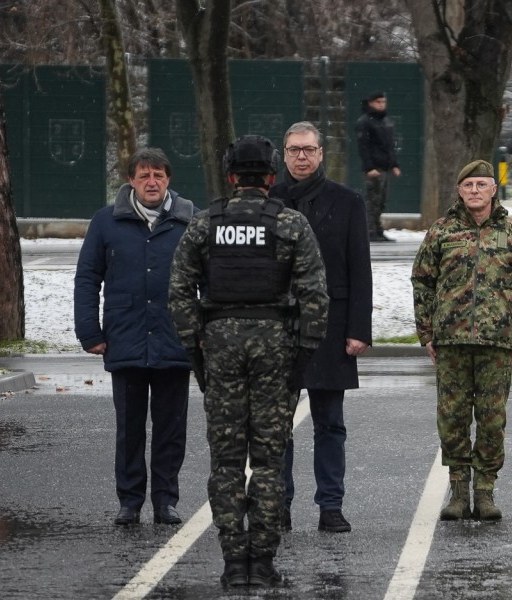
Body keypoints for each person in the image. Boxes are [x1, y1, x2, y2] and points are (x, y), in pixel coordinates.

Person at [169, 135, 328, 588]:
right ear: (272, 176)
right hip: (275, 347)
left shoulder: (204, 224)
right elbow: (316, 294)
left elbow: (179, 290)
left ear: (232, 176)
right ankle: (262, 561)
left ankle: (232, 563)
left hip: (218, 345)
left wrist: (193, 345)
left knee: (225, 461)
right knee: (267, 461)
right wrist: (303, 354)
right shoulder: (290, 223)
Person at [411, 160, 512, 522]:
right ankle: (457, 490)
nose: (474, 191)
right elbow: (422, 281)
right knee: (452, 418)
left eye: (481, 185)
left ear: (493, 190)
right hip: (450, 342)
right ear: (459, 190)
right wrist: (426, 332)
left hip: (498, 343)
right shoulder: (441, 232)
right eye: (468, 185)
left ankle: (485, 491)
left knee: (491, 419)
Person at [74, 148, 198, 527]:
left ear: (168, 179)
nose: (151, 182)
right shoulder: (106, 222)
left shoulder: (190, 221)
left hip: (174, 338)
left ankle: (165, 501)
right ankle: (129, 502)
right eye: (144, 175)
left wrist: (202, 330)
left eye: (158, 175)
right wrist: (89, 332)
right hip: (124, 337)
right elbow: (87, 278)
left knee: (170, 428)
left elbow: (210, 279)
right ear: (130, 180)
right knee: (129, 428)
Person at [271, 121, 372, 533]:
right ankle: (279, 504)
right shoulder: (267, 200)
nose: (301, 157)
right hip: (278, 329)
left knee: (330, 423)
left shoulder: (347, 201)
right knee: (278, 426)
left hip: (332, 327)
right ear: (284, 154)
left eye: (308, 150)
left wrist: (359, 329)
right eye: (294, 150)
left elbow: (359, 268)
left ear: (321, 153)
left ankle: (331, 505)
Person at [354, 92, 400, 242]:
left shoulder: (385, 121)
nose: (382, 104)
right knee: (372, 200)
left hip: (385, 167)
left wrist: (394, 164)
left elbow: (389, 146)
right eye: (378, 101)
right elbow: (364, 147)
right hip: (374, 168)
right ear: (371, 103)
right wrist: (369, 168)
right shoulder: (365, 122)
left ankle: (378, 229)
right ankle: (370, 230)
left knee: (381, 201)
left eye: (383, 101)